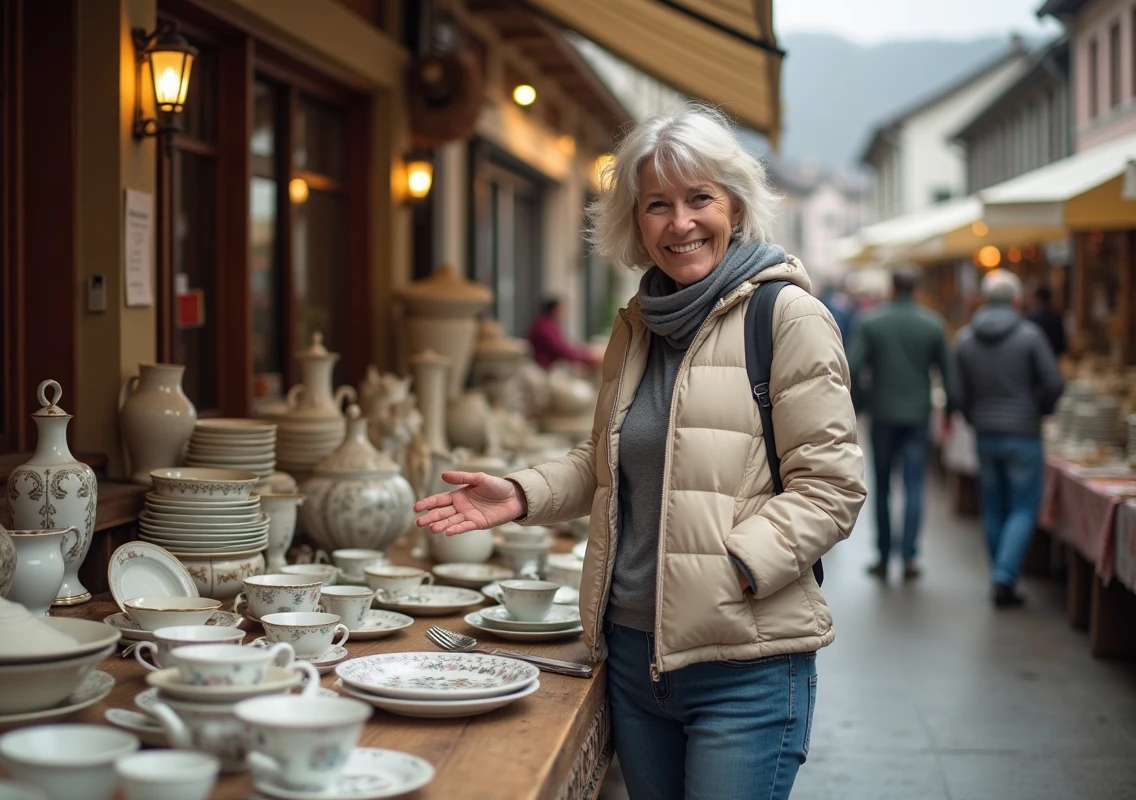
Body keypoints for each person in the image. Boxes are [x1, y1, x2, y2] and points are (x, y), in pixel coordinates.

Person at [415, 104, 866, 800]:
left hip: (742, 664)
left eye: (699, 198)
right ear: (635, 219)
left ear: (736, 204)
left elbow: (832, 489)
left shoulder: (787, 316)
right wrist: (522, 493)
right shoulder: (638, 326)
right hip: (630, 661)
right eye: (658, 204)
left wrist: (737, 566)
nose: (680, 222)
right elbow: (605, 459)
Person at [949, 269, 1064, 608]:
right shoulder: (1030, 336)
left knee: (994, 507)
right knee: (1024, 506)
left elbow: (956, 392)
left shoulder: (966, 339)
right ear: (1016, 300)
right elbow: (1054, 382)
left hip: (985, 434)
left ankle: (1001, 574)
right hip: (1024, 434)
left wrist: (974, 416)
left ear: (984, 300)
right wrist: (1038, 410)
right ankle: (1004, 577)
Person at [848, 267, 950, 581]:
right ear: (917, 289)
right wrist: (952, 411)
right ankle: (909, 556)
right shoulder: (933, 324)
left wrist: (865, 400)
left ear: (892, 288)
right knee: (914, 486)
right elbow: (947, 372)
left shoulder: (872, 322)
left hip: (883, 414)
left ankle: (882, 554)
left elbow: (852, 367)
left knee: (882, 487)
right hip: (918, 413)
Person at [526, 298, 599, 370]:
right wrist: (587, 356)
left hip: (549, 365)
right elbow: (561, 349)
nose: (564, 314)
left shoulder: (547, 324)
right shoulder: (545, 326)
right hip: (545, 368)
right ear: (555, 310)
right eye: (561, 310)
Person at [1027, 284, 1067, 357]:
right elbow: (1061, 346)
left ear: (1037, 298)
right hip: (1052, 357)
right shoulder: (1056, 317)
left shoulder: (1032, 318)